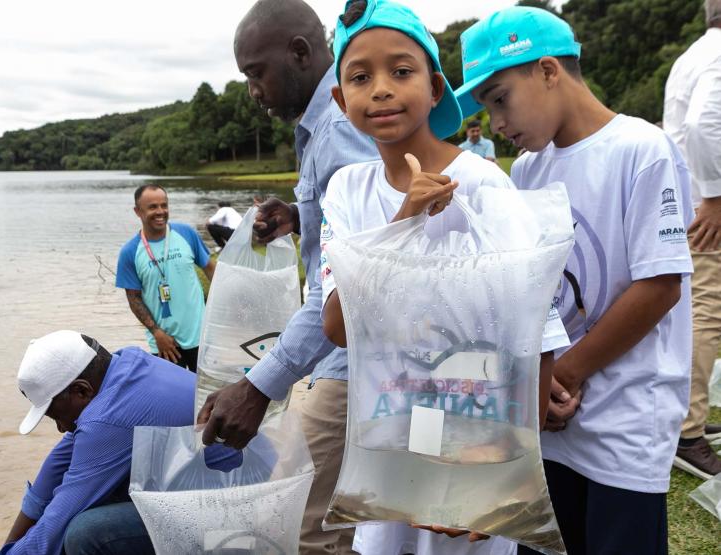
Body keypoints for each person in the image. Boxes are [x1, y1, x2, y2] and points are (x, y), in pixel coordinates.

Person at [318, 2, 568, 553]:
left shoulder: (481, 184)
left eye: (401, 72)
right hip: (390, 431)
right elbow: (338, 325)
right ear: (341, 100)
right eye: (360, 77)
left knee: (458, 539)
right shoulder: (347, 192)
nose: (380, 89)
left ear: (435, 89)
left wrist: (501, 477)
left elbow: (533, 328)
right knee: (389, 541)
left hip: (473, 426)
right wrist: (403, 221)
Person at [457, 7, 693, 554]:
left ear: (546, 71)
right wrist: (539, 390)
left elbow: (660, 285)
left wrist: (563, 373)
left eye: (499, 99)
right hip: (554, 424)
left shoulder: (641, 150)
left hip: (626, 422)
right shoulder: (528, 170)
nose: (495, 124)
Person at [196, 1, 379, 552]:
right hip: (345, 357)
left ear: (299, 52)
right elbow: (365, 221)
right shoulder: (323, 127)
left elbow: (349, 283)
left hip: (350, 362)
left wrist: (258, 386)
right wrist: (302, 216)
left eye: (256, 72)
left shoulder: (337, 132)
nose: (253, 90)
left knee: (306, 530)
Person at [0, 331, 237, 555]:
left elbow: (58, 519)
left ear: (81, 391)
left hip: (236, 507)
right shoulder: (126, 364)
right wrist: (8, 547)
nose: (61, 428)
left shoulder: (108, 419)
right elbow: (55, 469)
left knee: (84, 531)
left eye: (56, 416)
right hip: (229, 482)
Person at [663, 0, 721, 479]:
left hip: (689, 199)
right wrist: (716, 198)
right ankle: (688, 430)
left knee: (695, 309)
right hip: (707, 208)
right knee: (707, 309)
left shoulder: (693, 53)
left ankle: (689, 412)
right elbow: (704, 124)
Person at [116, 184, 215, 372]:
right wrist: (157, 333)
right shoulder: (130, 252)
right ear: (138, 211)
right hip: (164, 344)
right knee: (174, 399)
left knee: (207, 397)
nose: (160, 211)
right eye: (153, 207)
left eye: (164, 205)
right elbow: (134, 299)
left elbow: (211, 270)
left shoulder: (186, 234)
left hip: (201, 337)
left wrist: (226, 309)